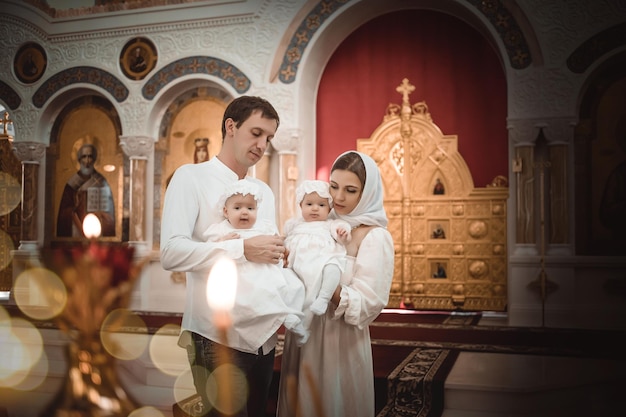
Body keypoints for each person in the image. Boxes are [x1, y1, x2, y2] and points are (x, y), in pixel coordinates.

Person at [160, 95, 286, 417]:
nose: (262, 144)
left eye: (269, 138)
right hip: (214, 336)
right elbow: (171, 253)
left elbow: (269, 259)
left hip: (264, 338)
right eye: (256, 133)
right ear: (231, 126)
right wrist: (241, 249)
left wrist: (283, 253)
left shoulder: (264, 193)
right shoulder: (190, 178)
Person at [277, 151, 395, 417]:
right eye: (334, 186)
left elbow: (370, 304)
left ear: (367, 193)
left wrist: (325, 287)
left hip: (339, 343)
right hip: (304, 335)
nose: (338, 197)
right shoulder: (318, 224)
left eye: (350, 190)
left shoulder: (375, 236)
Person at [203, 179, 308, 347]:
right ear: (225, 211)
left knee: (294, 284)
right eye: (237, 208)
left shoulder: (264, 227)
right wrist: (223, 242)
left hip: (268, 272)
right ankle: (283, 315)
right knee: (250, 298)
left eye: (250, 208)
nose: (244, 212)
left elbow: (277, 241)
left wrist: (283, 248)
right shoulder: (221, 229)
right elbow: (209, 251)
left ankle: (290, 314)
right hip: (244, 277)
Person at [283, 180, 351, 332]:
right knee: (288, 283)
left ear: (329, 208)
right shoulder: (294, 224)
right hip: (298, 267)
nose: (315, 209)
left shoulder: (330, 224)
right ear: (300, 206)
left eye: (321, 205)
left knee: (333, 267)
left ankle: (323, 298)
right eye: (309, 204)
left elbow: (343, 236)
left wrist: (343, 234)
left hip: (321, 263)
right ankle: (290, 315)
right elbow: (284, 239)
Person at [56, 143, 115, 237]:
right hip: (76, 233)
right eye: (84, 157)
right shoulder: (72, 183)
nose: (87, 161)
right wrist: (74, 208)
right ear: (79, 159)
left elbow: (110, 214)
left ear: (95, 159)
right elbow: (63, 214)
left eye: (90, 156)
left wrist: (101, 214)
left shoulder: (101, 181)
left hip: (97, 234)